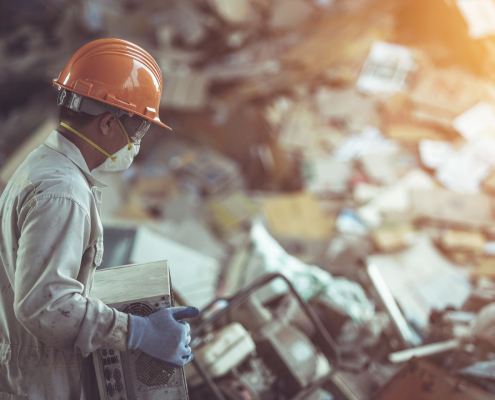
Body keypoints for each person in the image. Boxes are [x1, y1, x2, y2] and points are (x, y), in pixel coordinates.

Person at [0, 38, 200, 399]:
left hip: (24, 370)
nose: (137, 142)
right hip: (37, 384)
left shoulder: (40, 166)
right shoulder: (63, 193)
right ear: (108, 122)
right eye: (137, 129)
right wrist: (139, 332)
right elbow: (45, 305)